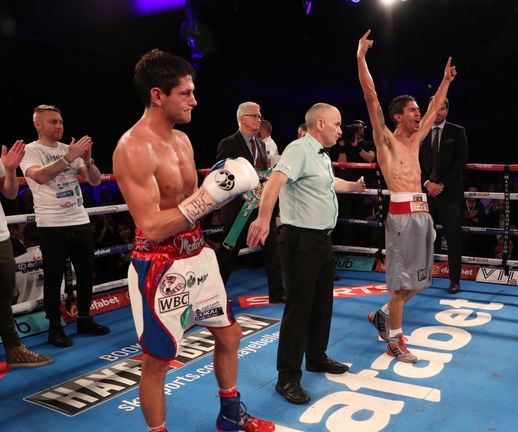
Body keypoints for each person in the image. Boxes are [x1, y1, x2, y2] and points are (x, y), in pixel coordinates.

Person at [112, 49, 274, 432]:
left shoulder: (183, 141)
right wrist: (208, 196)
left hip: (197, 252)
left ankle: (230, 415)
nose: (194, 100)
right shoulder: (132, 149)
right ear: (157, 95)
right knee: (158, 359)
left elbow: (193, 202)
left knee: (230, 333)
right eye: (185, 93)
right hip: (159, 264)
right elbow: (151, 226)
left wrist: (223, 191)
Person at [247, 103, 365, 404]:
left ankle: (315, 357)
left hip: (322, 240)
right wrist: (263, 219)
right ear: (321, 123)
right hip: (300, 240)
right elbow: (274, 181)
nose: (341, 131)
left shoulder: (320, 156)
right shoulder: (299, 150)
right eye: (337, 125)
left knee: (322, 304)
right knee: (298, 309)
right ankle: (287, 378)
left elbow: (327, 184)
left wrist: (352, 185)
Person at [357, 29, 456, 363]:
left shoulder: (416, 140)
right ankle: (395, 340)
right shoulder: (386, 140)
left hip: (421, 214)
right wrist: (361, 57)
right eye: (412, 110)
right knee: (401, 286)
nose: (419, 113)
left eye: (418, 110)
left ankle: (383, 315)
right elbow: (371, 97)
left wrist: (445, 82)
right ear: (398, 116)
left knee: (419, 280)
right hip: (400, 215)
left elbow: (433, 111)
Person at [20, 105, 110, 347]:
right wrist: (70, 156)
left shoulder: (68, 149)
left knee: (85, 273)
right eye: (53, 122)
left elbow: (95, 181)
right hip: (51, 223)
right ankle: (55, 327)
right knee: (53, 278)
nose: (59, 126)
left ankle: (84, 318)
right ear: (38, 124)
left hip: (79, 219)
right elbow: (39, 176)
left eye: (60, 121)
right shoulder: (31, 150)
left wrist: (87, 159)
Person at [216, 102, 284, 304]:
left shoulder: (262, 144)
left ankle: (277, 293)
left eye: (260, 115)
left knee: (273, 249)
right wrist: (242, 193)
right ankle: (215, 297)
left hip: (262, 207)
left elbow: (265, 174)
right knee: (228, 254)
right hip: (239, 209)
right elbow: (223, 176)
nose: (259, 119)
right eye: (255, 115)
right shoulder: (228, 143)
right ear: (242, 118)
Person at [1, 140, 52, 368]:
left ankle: (14, 349)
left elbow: (10, 193)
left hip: (0, 235)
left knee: (4, 292)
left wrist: (10, 169)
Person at [419, 95, 468, 294]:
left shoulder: (457, 131)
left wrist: (441, 185)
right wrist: (427, 183)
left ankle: (455, 280)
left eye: (442, 109)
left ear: (446, 110)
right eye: (435, 108)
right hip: (426, 193)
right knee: (424, 236)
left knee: (453, 238)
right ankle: (422, 277)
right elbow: (414, 161)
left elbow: (460, 162)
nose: (438, 113)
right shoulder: (420, 133)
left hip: (449, 194)